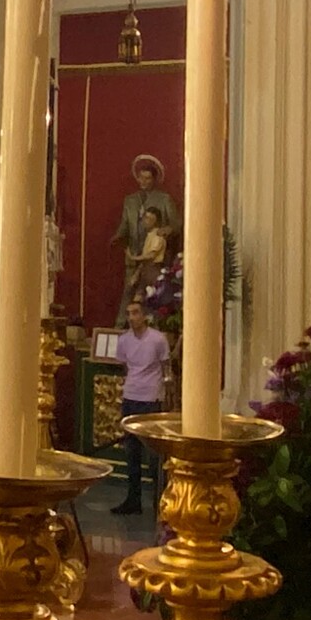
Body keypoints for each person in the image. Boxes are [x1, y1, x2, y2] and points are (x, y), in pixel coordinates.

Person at [111, 297, 171, 515]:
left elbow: (166, 368)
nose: (131, 318)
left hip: (150, 398)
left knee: (153, 454)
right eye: (128, 313)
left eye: (135, 312)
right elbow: (125, 366)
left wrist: (162, 393)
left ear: (144, 315)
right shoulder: (124, 340)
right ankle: (133, 499)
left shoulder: (157, 339)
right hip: (131, 396)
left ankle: (159, 501)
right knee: (132, 452)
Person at [112, 154, 181, 323]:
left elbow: (177, 224)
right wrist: (117, 237)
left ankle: (153, 325)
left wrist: (167, 229)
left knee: (153, 294)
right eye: (141, 178)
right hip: (134, 254)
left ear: (154, 180)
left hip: (154, 258)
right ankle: (120, 326)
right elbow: (125, 225)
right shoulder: (130, 201)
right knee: (129, 291)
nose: (144, 182)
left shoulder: (164, 199)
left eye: (148, 179)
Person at [127, 206, 169, 310]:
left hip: (153, 271)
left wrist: (134, 257)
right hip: (145, 271)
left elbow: (151, 255)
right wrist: (137, 274)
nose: (146, 221)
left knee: (153, 298)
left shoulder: (158, 236)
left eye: (150, 219)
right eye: (145, 218)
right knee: (137, 299)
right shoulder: (149, 235)